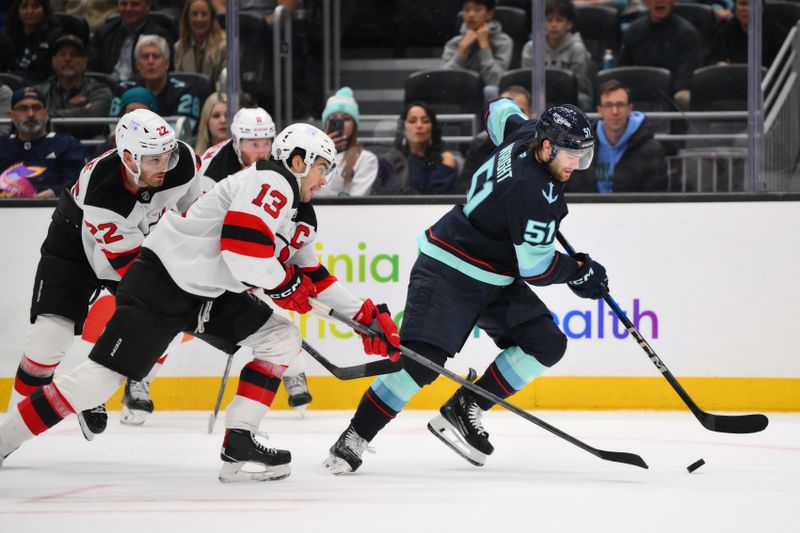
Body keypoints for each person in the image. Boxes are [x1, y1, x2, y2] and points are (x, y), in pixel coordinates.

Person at [0, 123, 401, 483]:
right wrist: (284, 284)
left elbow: (314, 276)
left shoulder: (299, 212)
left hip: (205, 292)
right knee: (96, 381)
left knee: (280, 336)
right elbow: (242, 249)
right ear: (298, 160)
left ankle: (239, 442)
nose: (326, 180)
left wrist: (364, 316)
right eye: (321, 169)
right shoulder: (272, 181)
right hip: (163, 281)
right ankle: (4, 438)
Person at [324, 99, 609, 474]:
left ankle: (465, 405)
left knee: (547, 343)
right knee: (419, 365)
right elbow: (537, 269)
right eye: (569, 155)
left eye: (582, 157)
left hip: (494, 276)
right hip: (449, 268)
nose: (575, 165)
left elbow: (498, 109)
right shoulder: (533, 192)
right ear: (546, 146)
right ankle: (354, 436)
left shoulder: (524, 132)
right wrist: (578, 271)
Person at [1, 108, 201, 444]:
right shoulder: (103, 194)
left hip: (138, 241)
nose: (164, 166)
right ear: (128, 157)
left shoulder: (184, 162)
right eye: (153, 160)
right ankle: (10, 431)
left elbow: (195, 214)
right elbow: (134, 272)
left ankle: (84, 393)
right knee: (50, 338)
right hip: (74, 246)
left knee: (159, 316)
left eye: (168, 155)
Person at [569, 79, 667, 193]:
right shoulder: (581, 148)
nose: (615, 111)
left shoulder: (651, 150)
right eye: (608, 105)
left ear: (629, 109)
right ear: (600, 110)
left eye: (620, 105)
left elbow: (656, 198)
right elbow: (575, 191)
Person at [0, 86, 86, 198]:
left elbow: (80, 182)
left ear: (46, 113)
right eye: (22, 108)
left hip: (51, 210)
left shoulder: (68, 145)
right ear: (12, 116)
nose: (30, 114)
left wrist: (53, 193)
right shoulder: (2, 145)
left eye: (36, 108)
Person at [617, 0, 700, 110]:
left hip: (670, 99)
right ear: (645, 2)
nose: (659, 1)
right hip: (638, 97)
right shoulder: (634, 30)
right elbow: (622, 70)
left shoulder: (686, 33)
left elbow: (683, 81)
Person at [35, 34, 113, 139]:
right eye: (62, 54)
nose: (68, 59)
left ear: (84, 62)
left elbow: (94, 119)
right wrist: (80, 113)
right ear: (53, 61)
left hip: (87, 148)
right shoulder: (40, 91)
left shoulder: (100, 90)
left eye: (74, 54)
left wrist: (47, 116)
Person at [114, 34, 201, 128]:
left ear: (167, 63)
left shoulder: (185, 92)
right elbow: (113, 128)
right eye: (145, 56)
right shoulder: (124, 90)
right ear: (137, 64)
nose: (150, 62)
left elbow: (182, 131)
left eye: (156, 56)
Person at [371, 101, 457, 195]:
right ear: (403, 128)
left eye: (425, 121)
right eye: (412, 121)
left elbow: (439, 196)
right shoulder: (392, 160)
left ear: (433, 128)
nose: (419, 126)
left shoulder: (445, 159)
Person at [457, 85, 531, 193]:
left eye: (519, 112)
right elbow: (462, 188)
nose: (511, 119)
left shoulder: (544, 146)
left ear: (531, 113)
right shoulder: (479, 145)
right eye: (503, 112)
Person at [520, 0, 593, 110]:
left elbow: (579, 84)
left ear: (569, 24)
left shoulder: (577, 48)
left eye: (559, 20)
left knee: (583, 100)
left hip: (569, 97)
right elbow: (526, 80)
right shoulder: (531, 47)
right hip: (537, 95)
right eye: (549, 20)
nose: (553, 25)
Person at [315, 86, 378, 197]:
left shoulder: (366, 159)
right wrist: (322, 152)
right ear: (326, 123)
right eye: (333, 118)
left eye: (346, 119)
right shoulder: (311, 155)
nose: (341, 123)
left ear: (354, 125)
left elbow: (355, 201)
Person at [89, 0, 173, 81]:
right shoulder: (104, 33)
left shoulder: (159, 36)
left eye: (135, 4)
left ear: (148, 6)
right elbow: (92, 71)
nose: (128, 9)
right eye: (123, 4)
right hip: (109, 88)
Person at [441, 0, 513, 87]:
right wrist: (462, 48)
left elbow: (495, 82)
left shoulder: (503, 41)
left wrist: (484, 45)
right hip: (460, 92)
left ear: (489, 14)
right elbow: (444, 80)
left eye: (477, 10)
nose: (471, 15)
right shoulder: (454, 43)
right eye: (467, 10)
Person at [704, 0, 782, 68]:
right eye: (742, 4)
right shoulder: (726, 29)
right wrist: (718, 64)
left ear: (762, 7)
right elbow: (709, 60)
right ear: (735, 8)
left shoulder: (776, 33)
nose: (747, 9)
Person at [3, 0, 62, 82]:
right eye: (24, 6)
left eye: (35, 6)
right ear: (17, 10)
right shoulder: (9, 35)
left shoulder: (54, 36)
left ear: (45, 9)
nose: (29, 11)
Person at [174, 0, 226, 84]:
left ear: (212, 17)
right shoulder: (179, 47)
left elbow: (225, 85)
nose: (199, 19)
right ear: (187, 17)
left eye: (204, 14)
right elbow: (179, 85)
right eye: (194, 14)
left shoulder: (224, 45)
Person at [194, 91, 227, 155]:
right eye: (216, 116)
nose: (223, 120)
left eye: (227, 115)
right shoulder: (193, 156)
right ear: (206, 121)